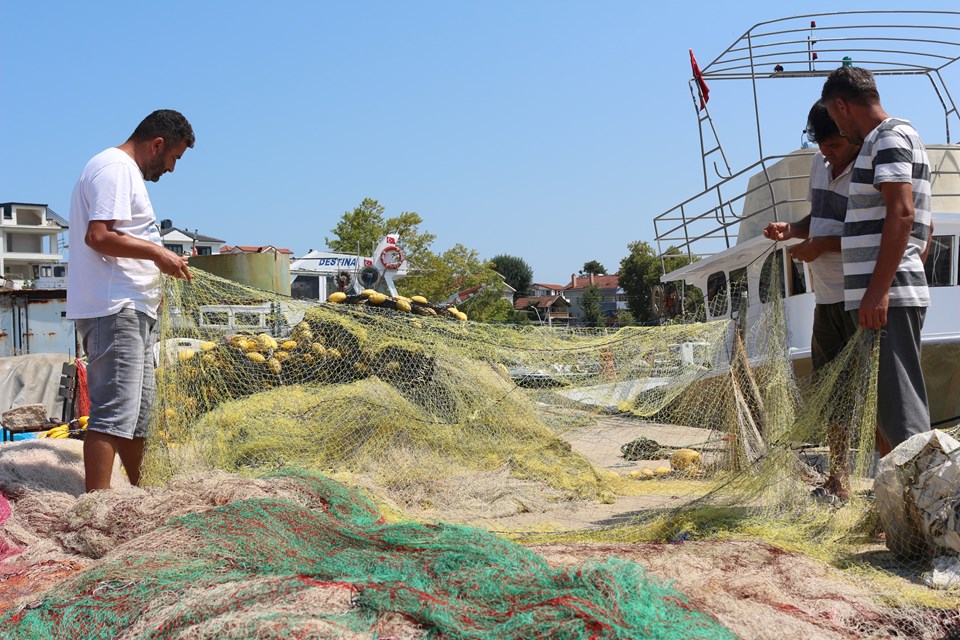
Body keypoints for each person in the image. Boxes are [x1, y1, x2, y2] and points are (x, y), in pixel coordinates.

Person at [67, 109, 195, 492]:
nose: (171, 169)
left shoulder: (124, 173)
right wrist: (159, 255)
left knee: (137, 416)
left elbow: (121, 237)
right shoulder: (115, 168)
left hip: (132, 309)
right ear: (157, 144)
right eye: (173, 157)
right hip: (115, 308)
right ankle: (97, 508)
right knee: (113, 413)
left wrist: (161, 261)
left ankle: (141, 496)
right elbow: (99, 236)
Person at [820, 66, 931, 457]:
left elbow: (902, 214)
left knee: (902, 417)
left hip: (886, 299)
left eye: (833, 118)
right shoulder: (900, 136)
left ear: (841, 105)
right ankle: (904, 506)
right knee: (886, 412)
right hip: (888, 294)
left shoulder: (887, 138)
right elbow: (924, 223)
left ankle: (926, 508)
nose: (836, 126)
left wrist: (880, 290)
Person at [764, 101, 861, 498]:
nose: (827, 153)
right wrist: (792, 229)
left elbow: (876, 230)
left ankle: (892, 481)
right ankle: (840, 479)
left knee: (870, 395)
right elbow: (816, 218)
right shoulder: (820, 165)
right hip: (826, 297)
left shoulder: (868, 167)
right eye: (820, 144)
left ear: (850, 134)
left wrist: (820, 245)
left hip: (861, 296)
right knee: (832, 396)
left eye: (834, 144)